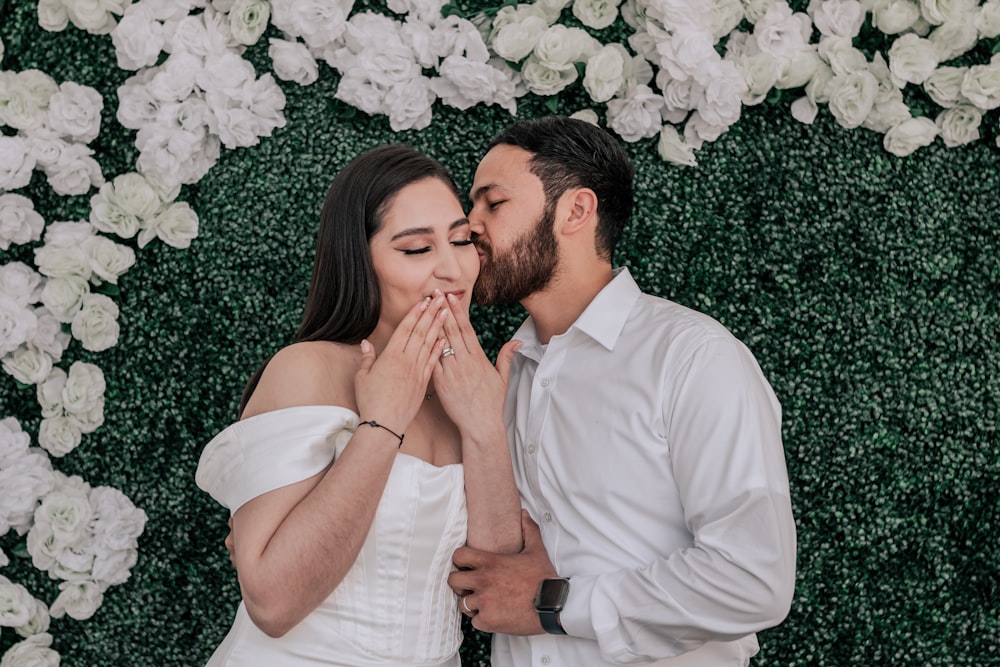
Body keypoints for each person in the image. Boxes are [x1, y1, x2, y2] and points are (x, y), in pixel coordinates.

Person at [447, 116, 798, 666]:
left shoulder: (692, 357)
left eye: (493, 203)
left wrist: (554, 604)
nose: (470, 225)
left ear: (576, 211)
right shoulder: (499, 381)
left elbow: (753, 578)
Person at [195, 144, 523, 667]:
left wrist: (485, 426)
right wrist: (382, 425)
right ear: (359, 261)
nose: (452, 268)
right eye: (417, 249)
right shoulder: (308, 369)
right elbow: (273, 604)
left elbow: (496, 582)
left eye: (461, 240)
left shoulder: (471, 384)